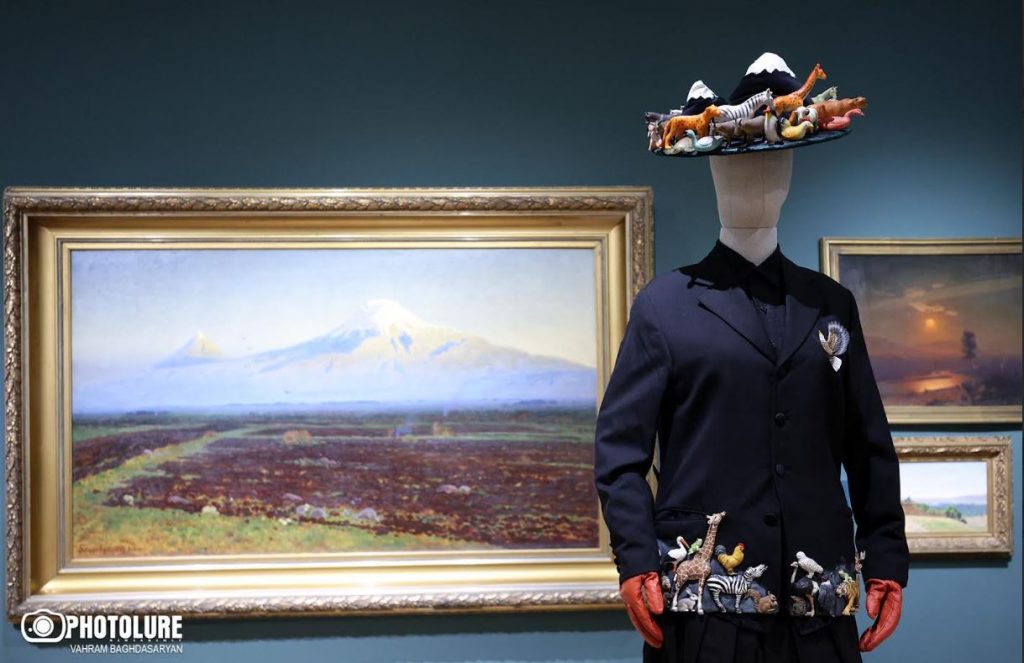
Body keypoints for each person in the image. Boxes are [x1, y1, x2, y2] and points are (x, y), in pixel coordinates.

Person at [594, 54, 908, 663]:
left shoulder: (831, 304)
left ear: (790, 176)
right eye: (738, 167)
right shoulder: (665, 306)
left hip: (818, 602)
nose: (757, 181)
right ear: (713, 174)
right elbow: (620, 452)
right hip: (704, 611)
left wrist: (886, 556)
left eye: (774, 164)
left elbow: (869, 443)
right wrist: (635, 558)